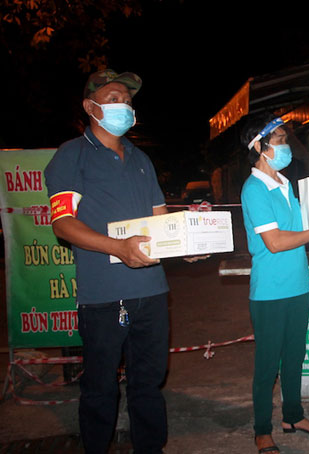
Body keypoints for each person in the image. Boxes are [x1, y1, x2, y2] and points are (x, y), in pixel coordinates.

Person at [45, 69, 171, 454]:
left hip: (152, 290)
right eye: (114, 97)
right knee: (100, 389)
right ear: (91, 106)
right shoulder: (72, 155)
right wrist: (117, 248)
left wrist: (185, 241)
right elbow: (63, 224)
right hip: (103, 297)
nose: (124, 105)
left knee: (148, 385)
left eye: (128, 100)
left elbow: (160, 216)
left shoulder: (140, 157)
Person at [240, 113, 309, 454]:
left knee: (294, 358)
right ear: (259, 147)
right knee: (267, 364)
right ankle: (262, 429)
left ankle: (293, 416)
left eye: (286, 140)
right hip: (271, 291)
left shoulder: (286, 185)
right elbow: (274, 241)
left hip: (298, 285)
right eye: (280, 141)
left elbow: (301, 229)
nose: (286, 146)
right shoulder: (254, 189)